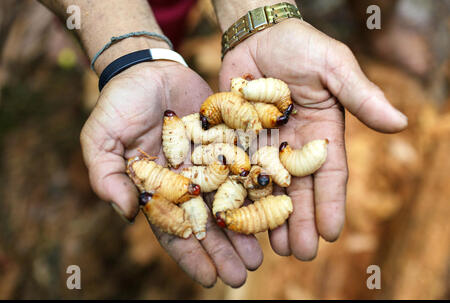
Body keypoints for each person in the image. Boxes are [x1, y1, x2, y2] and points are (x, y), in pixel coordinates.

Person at [39, 0, 408, 288]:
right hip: (219, 154)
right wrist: (126, 48)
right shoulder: (231, 148)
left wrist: (253, 12)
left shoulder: (243, 147)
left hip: (225, 154)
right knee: (154, 15)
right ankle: (104, 37)